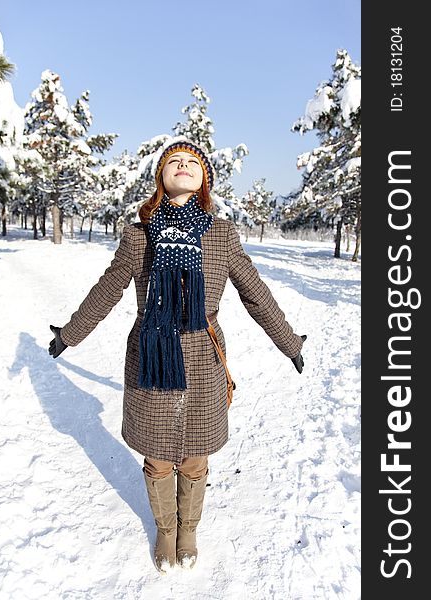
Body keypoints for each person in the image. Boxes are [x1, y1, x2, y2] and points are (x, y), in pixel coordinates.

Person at [48, 136, 306, 574]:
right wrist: (70, 334)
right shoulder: (138, 237)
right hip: (152, 359)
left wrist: (289, 342)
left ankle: (190, 528)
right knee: (159, 455)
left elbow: (255, 293)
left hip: (203, 358)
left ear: (204, 177)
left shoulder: (222, 235)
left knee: (195, 456)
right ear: (161, 178)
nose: (183, 165)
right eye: (174, 161)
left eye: (192, 161)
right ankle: (166, 530)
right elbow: (107, 291)